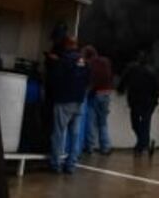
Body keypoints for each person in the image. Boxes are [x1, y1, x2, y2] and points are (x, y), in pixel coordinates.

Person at [47, 36, 90, 174]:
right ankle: (71, 165)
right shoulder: (82, 60)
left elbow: (56, 78)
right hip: (79, 101)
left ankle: (56, 164)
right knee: (75, 134)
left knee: (58, 133)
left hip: (64, 100)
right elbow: (87, 78)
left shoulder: (64, 60)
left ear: (66, 45)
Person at [117, 51, 159, 155]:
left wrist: (120, 89)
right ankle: (143, 144)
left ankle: (141, 145)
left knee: (136, 124)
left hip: (135, 101)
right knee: (145, 124)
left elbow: (123, 81)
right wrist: (155, 100)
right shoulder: (151, 72)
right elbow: (156, 88)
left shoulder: (132, 69)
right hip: (148, 102)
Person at [82, 45, 113, 155]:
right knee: (103, 122)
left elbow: (91, 81)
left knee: (91, 122)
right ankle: (105, 147)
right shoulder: (105, 61)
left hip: (95, 94)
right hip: (107, 93)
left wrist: (87, 92)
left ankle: (90, 147)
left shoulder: (90, 64)